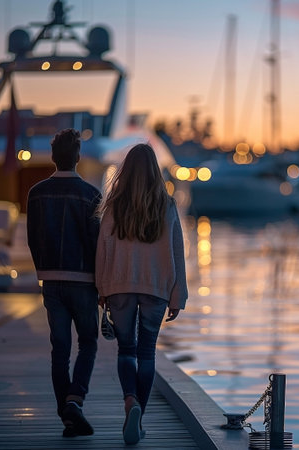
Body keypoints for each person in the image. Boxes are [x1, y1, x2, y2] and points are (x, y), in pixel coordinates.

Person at [95, 143, 188, 445]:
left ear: (127, 170)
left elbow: (102, 251)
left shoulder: (113, 206)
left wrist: (102, 288)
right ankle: (139, 414)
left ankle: (129, 401)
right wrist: (178, 295)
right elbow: (177, 252)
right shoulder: (168, 204)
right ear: (154, 171)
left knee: (126, 349)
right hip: (157, 287)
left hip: (119, 285)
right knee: (147, 352)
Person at [26, 128, 101, 438]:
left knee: (60, 349)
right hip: (83, 281)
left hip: (52, 281)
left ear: (53, 157)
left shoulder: (36, 193)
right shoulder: (90, 195)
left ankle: (67, 413)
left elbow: (32, 239)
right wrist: (102, 285)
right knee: (89, 343)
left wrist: (43, 270)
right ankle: (75, 399)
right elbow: (96, 243)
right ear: (78, 158)